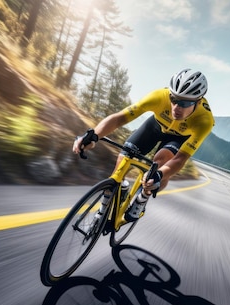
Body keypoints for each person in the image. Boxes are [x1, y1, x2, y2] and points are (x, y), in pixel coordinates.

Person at [73, 68, 214, 222]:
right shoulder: (158, 97)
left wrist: (159, 175)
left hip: (178, 138)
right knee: (124, 157)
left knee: (159, 163)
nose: (176, 107)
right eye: (173, 99)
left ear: (198, 102)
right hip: (154, 127)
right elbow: (120, 118)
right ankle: (106, 205)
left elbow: (180, 159)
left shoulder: (204, 121)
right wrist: (94, 135)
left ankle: (143, 198)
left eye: (184, 102)